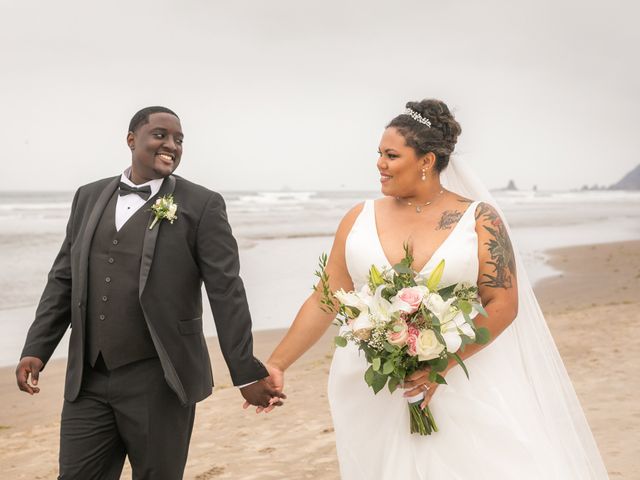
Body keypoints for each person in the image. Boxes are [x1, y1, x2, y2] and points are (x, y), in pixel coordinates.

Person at [264, 100, 609, 478]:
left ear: (426, 160)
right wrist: (278, 363)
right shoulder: (358, 218)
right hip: (371, 388)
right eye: (379, 154)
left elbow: (503, 303)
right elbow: (326, 297)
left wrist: (437, 366)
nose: (380, 163)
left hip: (460, 377)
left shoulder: (479, 219)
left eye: (391, 155)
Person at [15, 106, 284, 479]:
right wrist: (36, 348)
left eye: (178, 140)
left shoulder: (202, 205)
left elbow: (226, 291)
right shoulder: (88, 197)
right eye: (160, 135)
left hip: (161, 380)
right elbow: (64, 279)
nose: (170, 145)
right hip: (88, 379)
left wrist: (245, 372)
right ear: (131, 140)